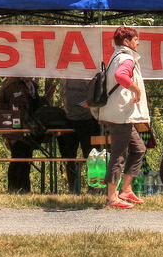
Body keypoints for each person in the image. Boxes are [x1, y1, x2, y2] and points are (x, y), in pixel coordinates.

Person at [96, 26, 150, 209]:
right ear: (126, 42)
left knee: (139, 148)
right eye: (135, 39)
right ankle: (112, 198)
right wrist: (135, 89)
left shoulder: (116, 56)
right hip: (120, 116)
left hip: (119, 114)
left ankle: (126, 189)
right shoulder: (126, 58)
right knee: (119, 154)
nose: (138, 42)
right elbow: (121, 76)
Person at [0, 75, 42, 193]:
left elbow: (36, 105)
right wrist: (11, 117)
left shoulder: (33, 86)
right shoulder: (11, 83)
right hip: (15, 130)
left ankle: (25, 189)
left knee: (26, 159)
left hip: (30, 128)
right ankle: (13, 188)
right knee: (17, 158)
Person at [60, 76, 102, 193]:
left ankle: (93, 186)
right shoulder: (65, 77)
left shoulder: (87, 76)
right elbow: (62, 96)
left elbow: (95, 96)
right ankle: (72, 187)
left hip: (88, 120)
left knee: (91, 156)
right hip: (70, 119)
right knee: (69, 157)